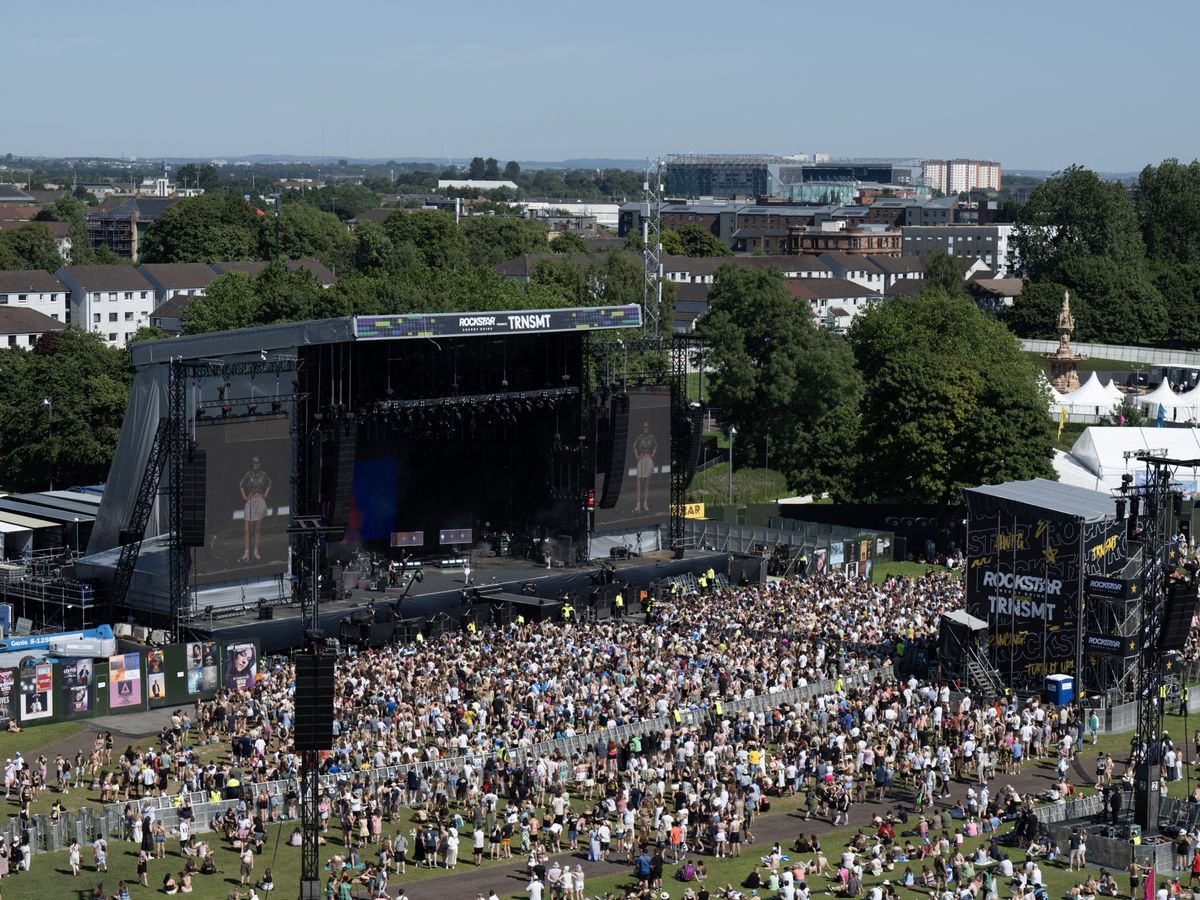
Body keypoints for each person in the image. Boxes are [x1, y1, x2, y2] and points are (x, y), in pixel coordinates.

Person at [239, 456, 272, 562]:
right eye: (254, 462)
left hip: (259, 500)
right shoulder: (249, 474)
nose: (255, 464)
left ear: (260, 463)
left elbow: (269, 483)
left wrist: (265, 495)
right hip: (250, 501)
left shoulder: (264, 474)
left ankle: (256, 551)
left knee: (257, 529)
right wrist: (244, 497)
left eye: (257, 462)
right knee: (246, 529)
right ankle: (246, 553)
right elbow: (241, 485)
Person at [632, 420, 658, 513]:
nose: (645, 428)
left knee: (647, 485)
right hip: (641, 459)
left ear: (649, 428)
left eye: (646, 427)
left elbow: (656, 446)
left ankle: (645, 504)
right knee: (638, 485)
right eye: (644, 427)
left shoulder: (651, 437)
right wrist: (637, 456)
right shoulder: (640, 437)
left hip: (648, 459)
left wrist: (652, 455)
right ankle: (638, 505)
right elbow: (634, 446)